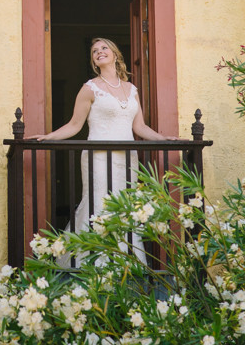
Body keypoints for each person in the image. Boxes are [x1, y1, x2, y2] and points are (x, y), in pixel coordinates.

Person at [34, 37, 178, 263]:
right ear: (93, 60)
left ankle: (126, 263)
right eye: (94, 51)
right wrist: (47, 137)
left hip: (126, 159)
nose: (99, 52)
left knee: (125, 205)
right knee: (99, 204)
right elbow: (74, 125)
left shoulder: (131, 90)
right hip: (98, 158)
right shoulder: (89, 89)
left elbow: (139, 126)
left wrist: (164, 139)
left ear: (115, 54)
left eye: (103, 48)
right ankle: (93, 262)